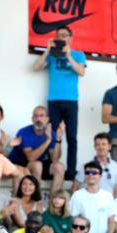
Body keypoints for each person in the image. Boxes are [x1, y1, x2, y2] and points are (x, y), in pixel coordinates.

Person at [34, 26, 86, 181]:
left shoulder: (78, 54)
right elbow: (36, 67)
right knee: (52, 135)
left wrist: (69, 56)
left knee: (71, 137)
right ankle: (51, 168)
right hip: (54, 101)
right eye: (59, 35)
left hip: (71, 101)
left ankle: (70, 171)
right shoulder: (51, 55)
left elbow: (81, 72)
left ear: (70, 38)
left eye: (65, 35)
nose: (61, 38)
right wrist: (47, 50)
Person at [70, 160, 116, 233]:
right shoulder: (77, 195)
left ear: (100, 176)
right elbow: (74, 220)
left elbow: (112, 219)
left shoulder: (107, 196)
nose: (91, 175)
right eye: (87, 173)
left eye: (94, 173)